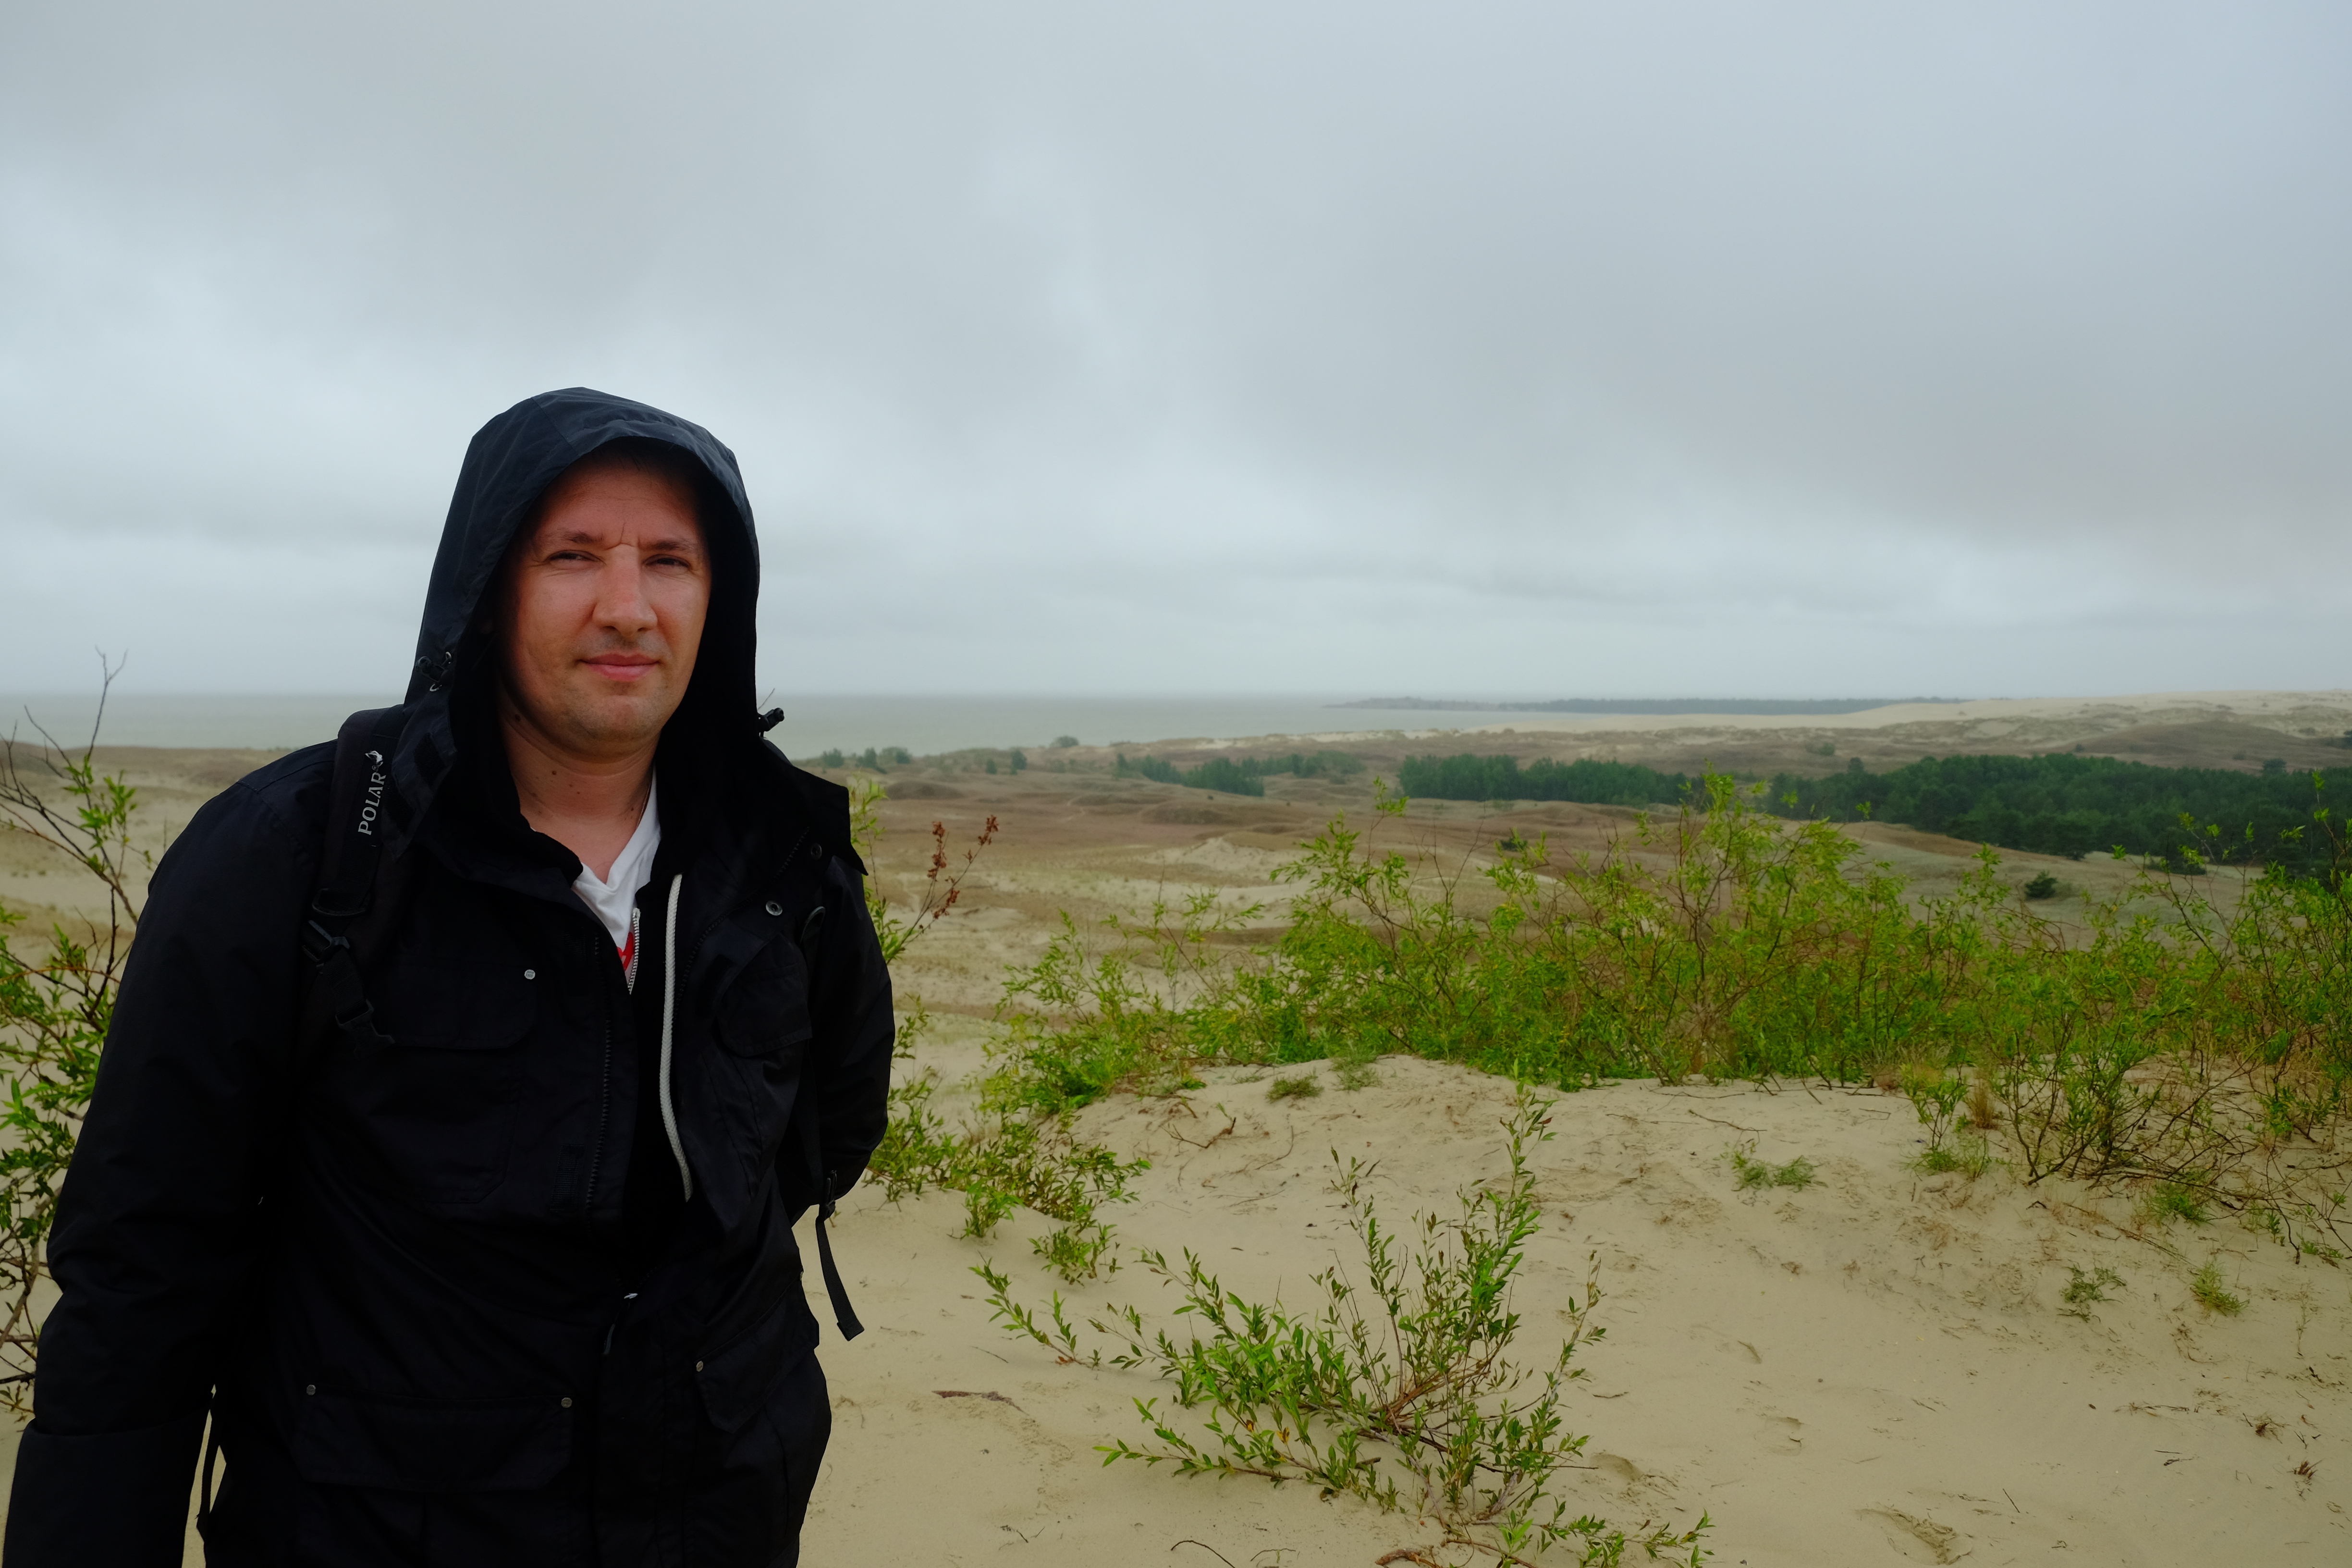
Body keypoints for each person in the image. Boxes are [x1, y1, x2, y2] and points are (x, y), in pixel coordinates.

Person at [4, 388, 894, 1566]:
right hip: (378, 1526)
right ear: (488, 587)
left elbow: (821, 1139)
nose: (628, 606)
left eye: (670, 561)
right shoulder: (300, 851)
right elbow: (145, 1269)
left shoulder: (785, 857)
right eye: (573, 555)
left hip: (716, 1512)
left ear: (717, 598)